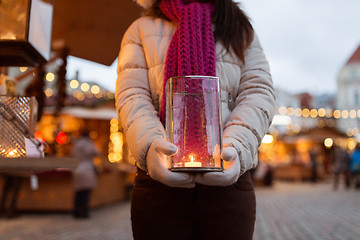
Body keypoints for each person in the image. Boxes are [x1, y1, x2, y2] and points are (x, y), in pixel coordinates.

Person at [115, 0, 275, 239]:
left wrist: (237, 148)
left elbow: (258, 92)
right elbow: (132, 95)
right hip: (159, 183)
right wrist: (150, 147)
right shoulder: (141, 29)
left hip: (228, 185)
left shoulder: (239, 28)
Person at [71, 131, 99, 219]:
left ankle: (76, 212)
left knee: (78, 192)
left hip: (77, 168)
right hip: (87, 168)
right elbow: (97, 153)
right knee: (86, 192)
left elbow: (72, 154)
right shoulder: (89, 144)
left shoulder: (76, 144)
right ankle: (84, 212)